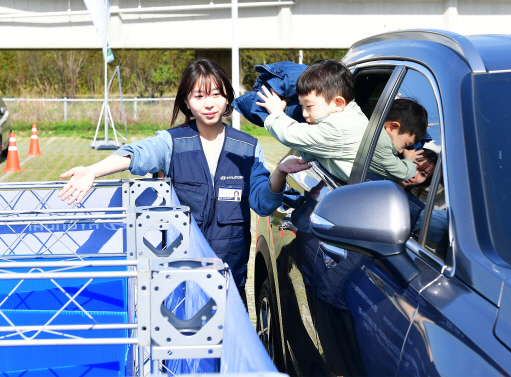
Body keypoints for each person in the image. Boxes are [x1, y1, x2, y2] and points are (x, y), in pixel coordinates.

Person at [57, 58, 310, 303]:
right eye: (199, 96)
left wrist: (279, 173)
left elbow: (263, 204)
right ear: (187, 102)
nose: (209, 104)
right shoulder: (171, 143)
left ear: (227, 99)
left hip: (229, 274)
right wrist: (93, 170)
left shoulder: (248, 147)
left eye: (216, 95)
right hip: (178, 272)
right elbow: (136, 154)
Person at [257, 60, 428, 182]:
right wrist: (410, 163)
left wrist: (276, 113)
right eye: (302, 106)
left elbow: (289, 134)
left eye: (309, 106)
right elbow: (302, 143)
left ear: (338, 103)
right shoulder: (347, 120)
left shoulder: (340, 129)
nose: (304, 114)